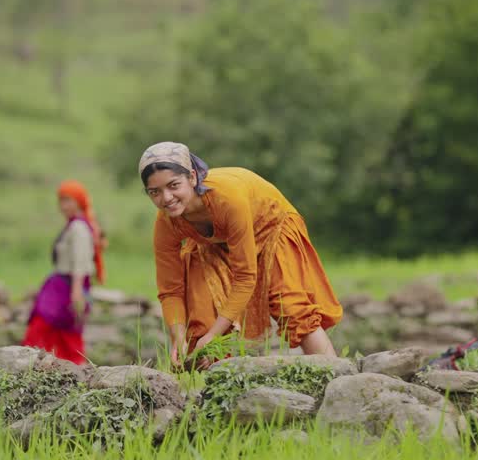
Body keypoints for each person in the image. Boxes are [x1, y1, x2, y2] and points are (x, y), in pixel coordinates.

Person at [138, 141, 343, 367]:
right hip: (215, 240)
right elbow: (171, 290)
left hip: (271, 225)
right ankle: (217, 384)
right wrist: (178, 339)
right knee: (201, 316)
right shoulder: (167, 222)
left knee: (291, 306)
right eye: (155, 192)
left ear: (192, 178)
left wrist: (214, 335)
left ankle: (335, 373)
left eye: (174, 185)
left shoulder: (227, 200)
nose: (166, 198)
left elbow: (245, 277)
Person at [22, 180, 105, 364]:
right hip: (61, 287)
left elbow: (80, 261)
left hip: (67, 288)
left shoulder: (78, 228)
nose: (63, 206)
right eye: (61, 201)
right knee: (55, 332)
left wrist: (76, 293)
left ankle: (33, 364)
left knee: (47, 329)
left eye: (68, 201)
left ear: (79, 202)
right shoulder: (75, 225)